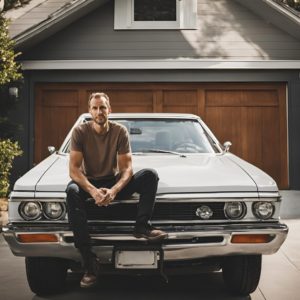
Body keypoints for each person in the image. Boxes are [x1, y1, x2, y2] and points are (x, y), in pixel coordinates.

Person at [66, 92, 167, 288]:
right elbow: (74, 170)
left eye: (102, 107)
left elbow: (127, 169)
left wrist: (113, 191)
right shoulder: (79, 132)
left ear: (109, 110)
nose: (99, 111)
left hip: (113, 181)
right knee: (71, 191)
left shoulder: (120, 131)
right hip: (89, 183)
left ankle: (142, 226)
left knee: (149, 176)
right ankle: (89, 262)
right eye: (95, 108)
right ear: (89, 111)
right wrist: (94, 191)